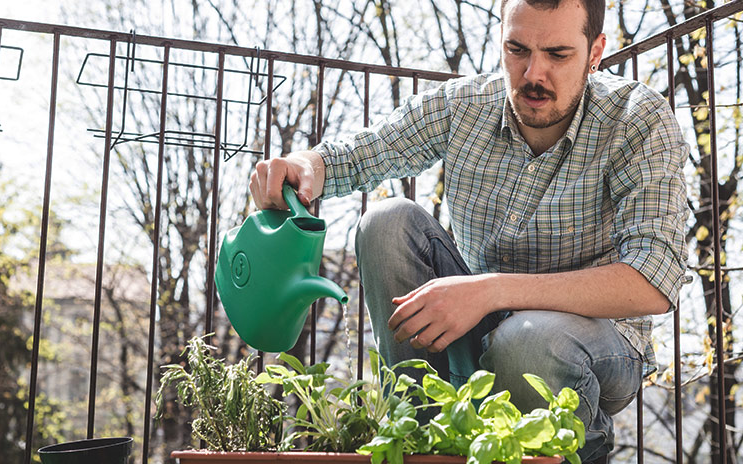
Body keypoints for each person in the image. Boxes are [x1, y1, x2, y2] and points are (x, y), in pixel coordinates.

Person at [249, 0, 688, 461]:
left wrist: (491, 291)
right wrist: (306, 166)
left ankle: (581, 449)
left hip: (596, 343)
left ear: (595, 51)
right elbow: (366, 150)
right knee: (385, 222)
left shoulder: (638, 119)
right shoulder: (465, 105)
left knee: (527, 341)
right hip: (475, 332)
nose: (533, 74)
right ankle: (422, 438)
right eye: (517, 49)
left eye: (558, 54)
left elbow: (651, 280)